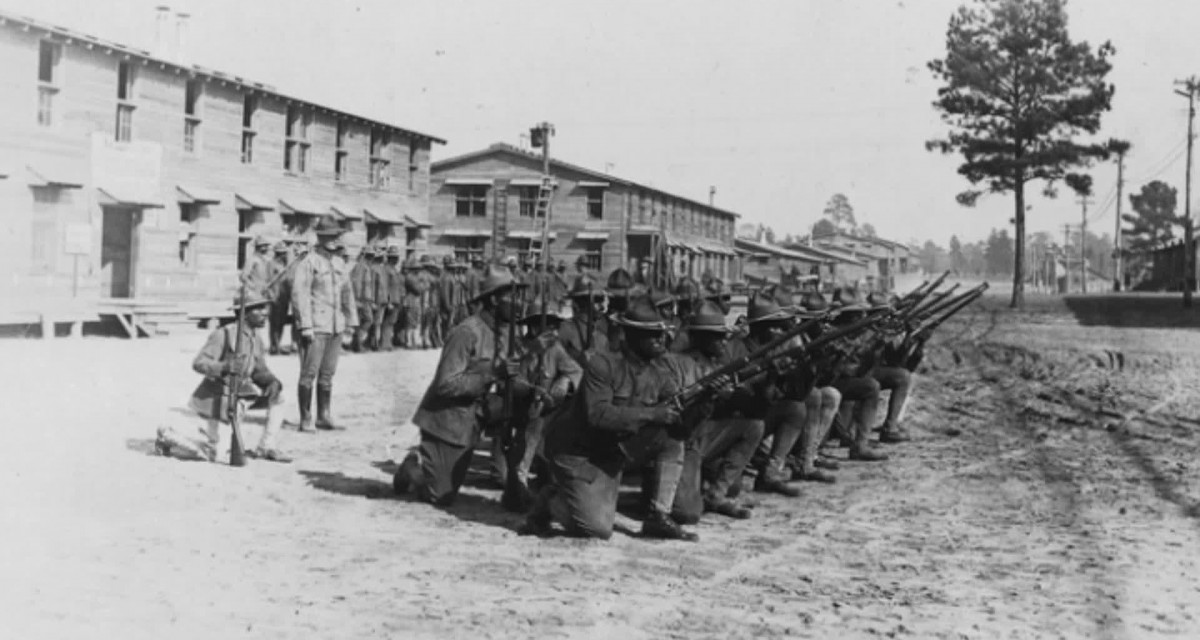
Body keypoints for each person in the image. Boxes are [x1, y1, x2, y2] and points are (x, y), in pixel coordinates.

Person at [523, 296, 698, 541]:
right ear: (632, 336)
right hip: (578, 453)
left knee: (670, 438)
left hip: (615, 450)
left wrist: (706, 402)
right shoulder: (602, 365)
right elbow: (598, 415)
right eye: (653, 335)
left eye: (662, 333)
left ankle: (658, 516)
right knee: (597, 529)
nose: (661, 340)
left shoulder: (660, 371)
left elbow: (680, 423)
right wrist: (652, 414)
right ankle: (550, 499)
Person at [393, 266, 527, 506]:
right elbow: (446, 385)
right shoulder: (466, 332)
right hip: (448, 421)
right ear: (495, 300)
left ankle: (510, 471)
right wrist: (493, 373)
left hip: (479, 413)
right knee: (441, 495)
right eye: (511, 296)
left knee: (531, 407)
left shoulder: (505, 332)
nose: (518, 303)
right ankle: (412, 468)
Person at [154, 289, 292, 463]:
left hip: (242, 396)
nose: (264, 312)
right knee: (215, 455)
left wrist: (271, 381)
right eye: (257, 308)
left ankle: (266, 447)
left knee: (280, 397)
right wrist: (225, 366)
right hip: (218, 399)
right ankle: (168, 435)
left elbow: (259, 369)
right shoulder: (224, 334)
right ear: (243, 313)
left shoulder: (256, 338)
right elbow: (198, 363)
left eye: (264, 307)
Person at [669, 300, 762, 522]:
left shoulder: (717, 365)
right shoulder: (675, 364)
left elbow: (750, 405)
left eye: (725, 335)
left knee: (754, 426)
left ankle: (716, 495)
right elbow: (675, 411)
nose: (724, 341)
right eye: (717, 336)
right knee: (687, 513)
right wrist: (707, 397)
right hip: (681, 440)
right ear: (701, 338)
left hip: (705, 435)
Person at [499, 298, 584, 512]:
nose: (554, 331)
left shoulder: (555, 349)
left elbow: (576, 372)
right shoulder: (515, 346)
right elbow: (509, 381)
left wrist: (564, 383)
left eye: (556, 326)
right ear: (535, 326)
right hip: (520, 416)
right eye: (549, 326)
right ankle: (520, 483)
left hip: (548, 418)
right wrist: (531, 356)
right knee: (515, 498)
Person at [725, 297, 805, 497]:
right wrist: (767, 377)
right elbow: (735, 394)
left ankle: (771, 473)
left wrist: (779, 376)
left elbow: (778, 396)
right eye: (774, 328)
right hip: (731, 419)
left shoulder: (771, 350)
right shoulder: (734, 349)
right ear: (760, 328)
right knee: (731, 489)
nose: (780, 333)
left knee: (795, 409)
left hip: (756, 414)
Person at [292, 217, 359, 433]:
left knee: (328, 374)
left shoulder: (339, 263)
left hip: (335, 326)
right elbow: (299, 294)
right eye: (329, 236)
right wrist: (305, 325)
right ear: (320, 237)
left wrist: (350, 323)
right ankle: (306, 418)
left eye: (336, 235)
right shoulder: (309, 262)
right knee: (309, 373)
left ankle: (324, 415)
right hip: (316, 326)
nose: (334, 240)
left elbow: (348, 294)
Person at [825, 288, 889, 462]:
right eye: (854, 314)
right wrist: (864, 344)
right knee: (870, 387)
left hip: (839, 382)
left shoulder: (853, 333)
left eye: (860, 313)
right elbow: (841, 369)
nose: (859, 317)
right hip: (827, 382)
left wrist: (875, 347)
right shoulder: (830, 332)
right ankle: (858, 444)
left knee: (870, 386)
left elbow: (861, 370)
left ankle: (861, 444)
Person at [867, 291, 914, 444]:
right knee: (903, 376)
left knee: (903, 375)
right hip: (861, 372)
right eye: (882, 313)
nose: (886, 317)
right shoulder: (867, 329)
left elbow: (896, 360)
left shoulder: (879, 328)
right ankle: (889, 428)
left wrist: (909, 336)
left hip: (868, 370)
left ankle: (890, 426)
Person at [557, 274, 608, 367]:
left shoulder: (602, 332)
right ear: (583, 302)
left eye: (602, 300)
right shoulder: (565, 329)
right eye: (597, 300)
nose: (602, 307)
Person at [266, 241, 294, 355]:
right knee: (274, 323)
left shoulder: (285, 266)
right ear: (277, 253)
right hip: (275, 297)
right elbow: (267, 281)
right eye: (282, 253)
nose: (284, 255)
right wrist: (271, 295)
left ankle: (278, 344)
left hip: (284, 297)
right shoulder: (271, 264)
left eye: (284, 253)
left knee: (281, 322)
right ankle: (274, 346)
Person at [350, 246, 377, 352]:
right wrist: (357, 299)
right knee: (367, 320)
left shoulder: (366, 267)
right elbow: (357, 283)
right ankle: (358, 343)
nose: (371, 258)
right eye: (369, 256)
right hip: (361, 299)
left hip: (366, 299)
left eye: (372, 256)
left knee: (362, 321)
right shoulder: (361, 267)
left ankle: (357, 343)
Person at [381, 246, 404, 351]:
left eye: (397, 257)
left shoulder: (394, 269)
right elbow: (385, 286)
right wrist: (388, 301)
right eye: (394, 257)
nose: (396, 259)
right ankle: (385, 343)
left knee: (392, 322)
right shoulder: (386, 269)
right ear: (389, 258)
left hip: (396, 299)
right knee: (387, 322)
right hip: (391, 300)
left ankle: (388, 342)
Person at [369, 244, 391, 351]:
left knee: (379, 322)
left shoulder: (382, 269)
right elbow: (372, 286)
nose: (384, 257)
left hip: (382, 300)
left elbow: (385, 286)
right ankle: (374, 343)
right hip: (376, 300)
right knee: (375, 323)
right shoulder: (374, 269)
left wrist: (387, 299)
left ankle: (376, 342)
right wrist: (372, 300)